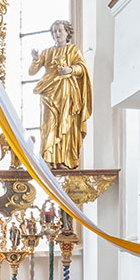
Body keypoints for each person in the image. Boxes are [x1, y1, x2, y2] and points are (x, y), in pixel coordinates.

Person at [30, 20, 91, 169]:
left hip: (66, 92)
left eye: (60, 31)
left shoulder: (73, 50)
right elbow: (31, 72)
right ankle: (48, 159)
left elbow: (81, 68)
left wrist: (70, 70)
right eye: (54, 31)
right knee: (48, 124)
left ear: (67, 33)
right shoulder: (47, 52)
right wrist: (36, 59)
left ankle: (64, 160)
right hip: (49, 92)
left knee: (66, 123)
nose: (57, 34)